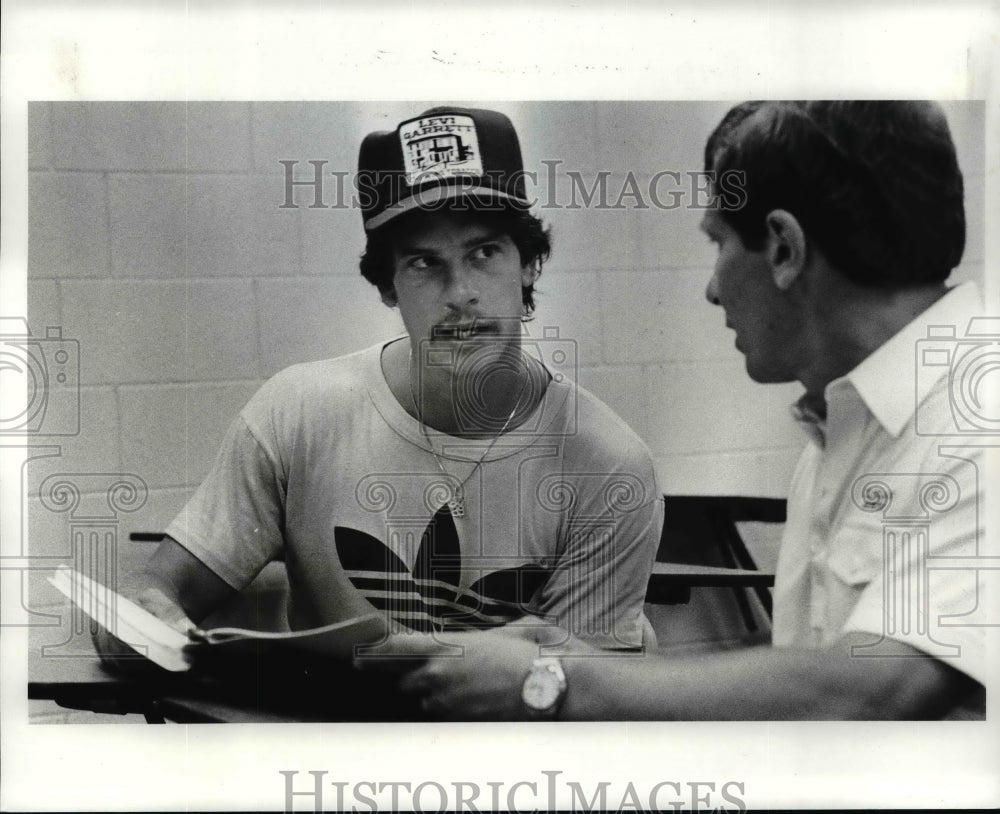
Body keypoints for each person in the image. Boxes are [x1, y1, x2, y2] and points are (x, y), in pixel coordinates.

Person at [360, 100, 988, 720]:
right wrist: (588, 664)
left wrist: (551, 682)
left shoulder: (978, 418)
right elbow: (810, 675)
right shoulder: (849, 428)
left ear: (784, 249)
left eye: (717, 243)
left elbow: (873, 691)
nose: (713, 287)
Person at [99, 106, 663, 663]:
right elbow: (153, 596)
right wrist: (142, 621)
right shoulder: (299, 412)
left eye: (484, 252)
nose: (460, 291)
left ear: (529, 265)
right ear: (387, 286)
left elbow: (583, 707)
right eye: (424, 263)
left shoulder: (608, 464)